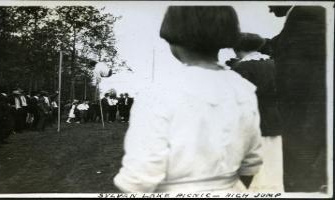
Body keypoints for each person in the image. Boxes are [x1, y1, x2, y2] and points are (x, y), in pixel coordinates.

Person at [114, 6, 262, 193]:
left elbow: (138, 177)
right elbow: (251, 163)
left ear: (173, 39)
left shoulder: (158, 93)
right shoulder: (243, 88)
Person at [264, 6, 326, 192]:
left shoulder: (307, 14)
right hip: (305, 107)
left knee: (302, 168)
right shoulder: (302, 17)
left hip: (303, 110)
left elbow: (300, 65)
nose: (269, 8)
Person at [230, 32, 284, 192]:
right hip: (274, 118)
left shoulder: (240, 68)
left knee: (254, 164)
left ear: (236, 49)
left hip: (253, 120)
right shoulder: (274, 63)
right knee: (272, 160)